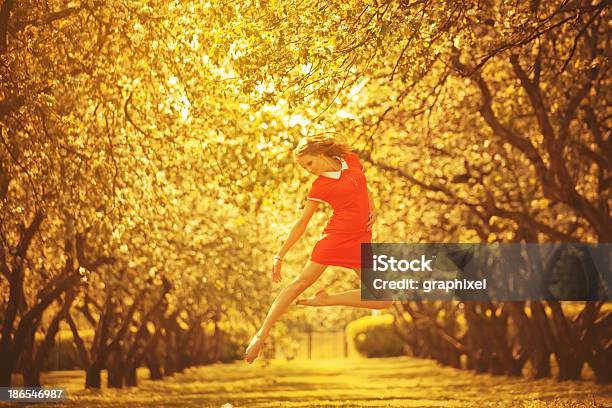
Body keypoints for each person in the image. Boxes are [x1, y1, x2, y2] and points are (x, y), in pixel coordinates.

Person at [244, 134, 393, 364]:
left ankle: (328, 299)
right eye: (304, 167)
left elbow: (363, 185)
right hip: (335, 239)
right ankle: (261, 335)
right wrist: (280, 255)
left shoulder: (350, 160)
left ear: (321, 153)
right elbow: (302, 222)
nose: (308, 170)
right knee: (299, 284)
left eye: (309, 163)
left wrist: (373, 207)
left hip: (361, 239)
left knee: (384, 299)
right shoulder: (320, 186)